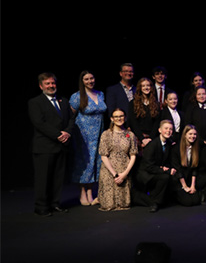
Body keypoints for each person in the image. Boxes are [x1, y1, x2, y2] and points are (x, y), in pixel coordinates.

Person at [28, 72, 75, 216]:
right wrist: (58, 135)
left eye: (53, 83)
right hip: (44, 147)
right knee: (43, 179)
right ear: (41, 86)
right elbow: (39, 123)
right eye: (47, 83)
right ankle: (41, 206)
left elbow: (72, 119)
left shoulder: (64, 101)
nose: (51, 86)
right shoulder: (35, 102)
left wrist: (67, 132)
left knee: (58, 178)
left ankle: (55, 204)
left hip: (61, 146)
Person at [69, 70, 107, 206]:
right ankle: (82, 192)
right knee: (84, 162)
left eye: (91, 78)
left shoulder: (100, 94)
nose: (90, 81)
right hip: (83, 134)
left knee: (96, 162)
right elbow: (71, 116)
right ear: (82, 81)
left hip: (99, 133)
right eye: (86, 79)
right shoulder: (77, 96)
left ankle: (91, 192)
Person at [97, 108, 138, 211]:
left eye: (121, 116)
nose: (119, 118)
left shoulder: (130, 135)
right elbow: (103, 156)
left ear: (125, 117)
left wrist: (124, 174)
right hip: (109, 169)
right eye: (116, 116)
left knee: (124, 204)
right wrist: (115, 174)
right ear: (112, 119)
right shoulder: (106, 134)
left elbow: (133, 155)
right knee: (108, 205)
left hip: (124, 168)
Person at [132, 120, 175, 212]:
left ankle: (156, 201)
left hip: (154, 170)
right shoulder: (152, 145)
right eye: (166, 128)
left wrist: (164, 167)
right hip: (145, 174)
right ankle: (154, 203)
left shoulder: (169, 144)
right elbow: (148, 166)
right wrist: (164, 170)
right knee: (165, 177)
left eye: (171, 129)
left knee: (168, 178)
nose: (168, 131)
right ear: (159, 130)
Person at [171, 125, 206, 206]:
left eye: (194, 134)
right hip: (179, 180)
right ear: (185, 135)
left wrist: (192, 186)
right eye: (190, 134)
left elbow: (195, 168)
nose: (193, 136)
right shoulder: (176, 148)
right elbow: (178, 170)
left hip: (189, 179)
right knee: (187, 202)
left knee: (195, 201)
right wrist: (184, 186)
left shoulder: (197, 148)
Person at [128, 77, 161, 149]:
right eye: (143, 86)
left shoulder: (156, 104)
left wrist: (150, 138)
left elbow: (157, 122)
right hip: (138, 137)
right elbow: (133, 122)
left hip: (152, 138)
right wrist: (142, 138)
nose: (146, 88)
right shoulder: (133, 103)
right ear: (140, 88)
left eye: (148, 85)